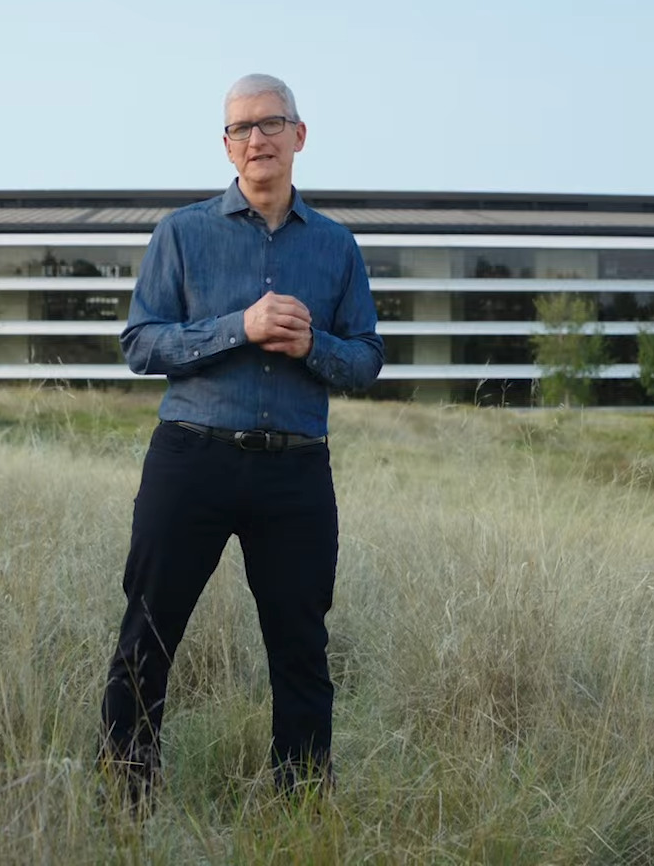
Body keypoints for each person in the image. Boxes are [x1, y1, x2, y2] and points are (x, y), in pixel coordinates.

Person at [98, 73, 384, 806]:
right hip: (191, 459)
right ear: (226, 146)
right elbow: (141, 343)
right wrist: (240, 329)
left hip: (295, 475)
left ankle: (299, 815)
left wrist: (311, 344)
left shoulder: (337, 246)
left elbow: (366, 360)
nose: (256, 139)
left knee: (301, 653)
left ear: (300, 135)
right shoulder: (182, 233)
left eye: (270, 123)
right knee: (147, 640)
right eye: (240, 128)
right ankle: (124, 808)